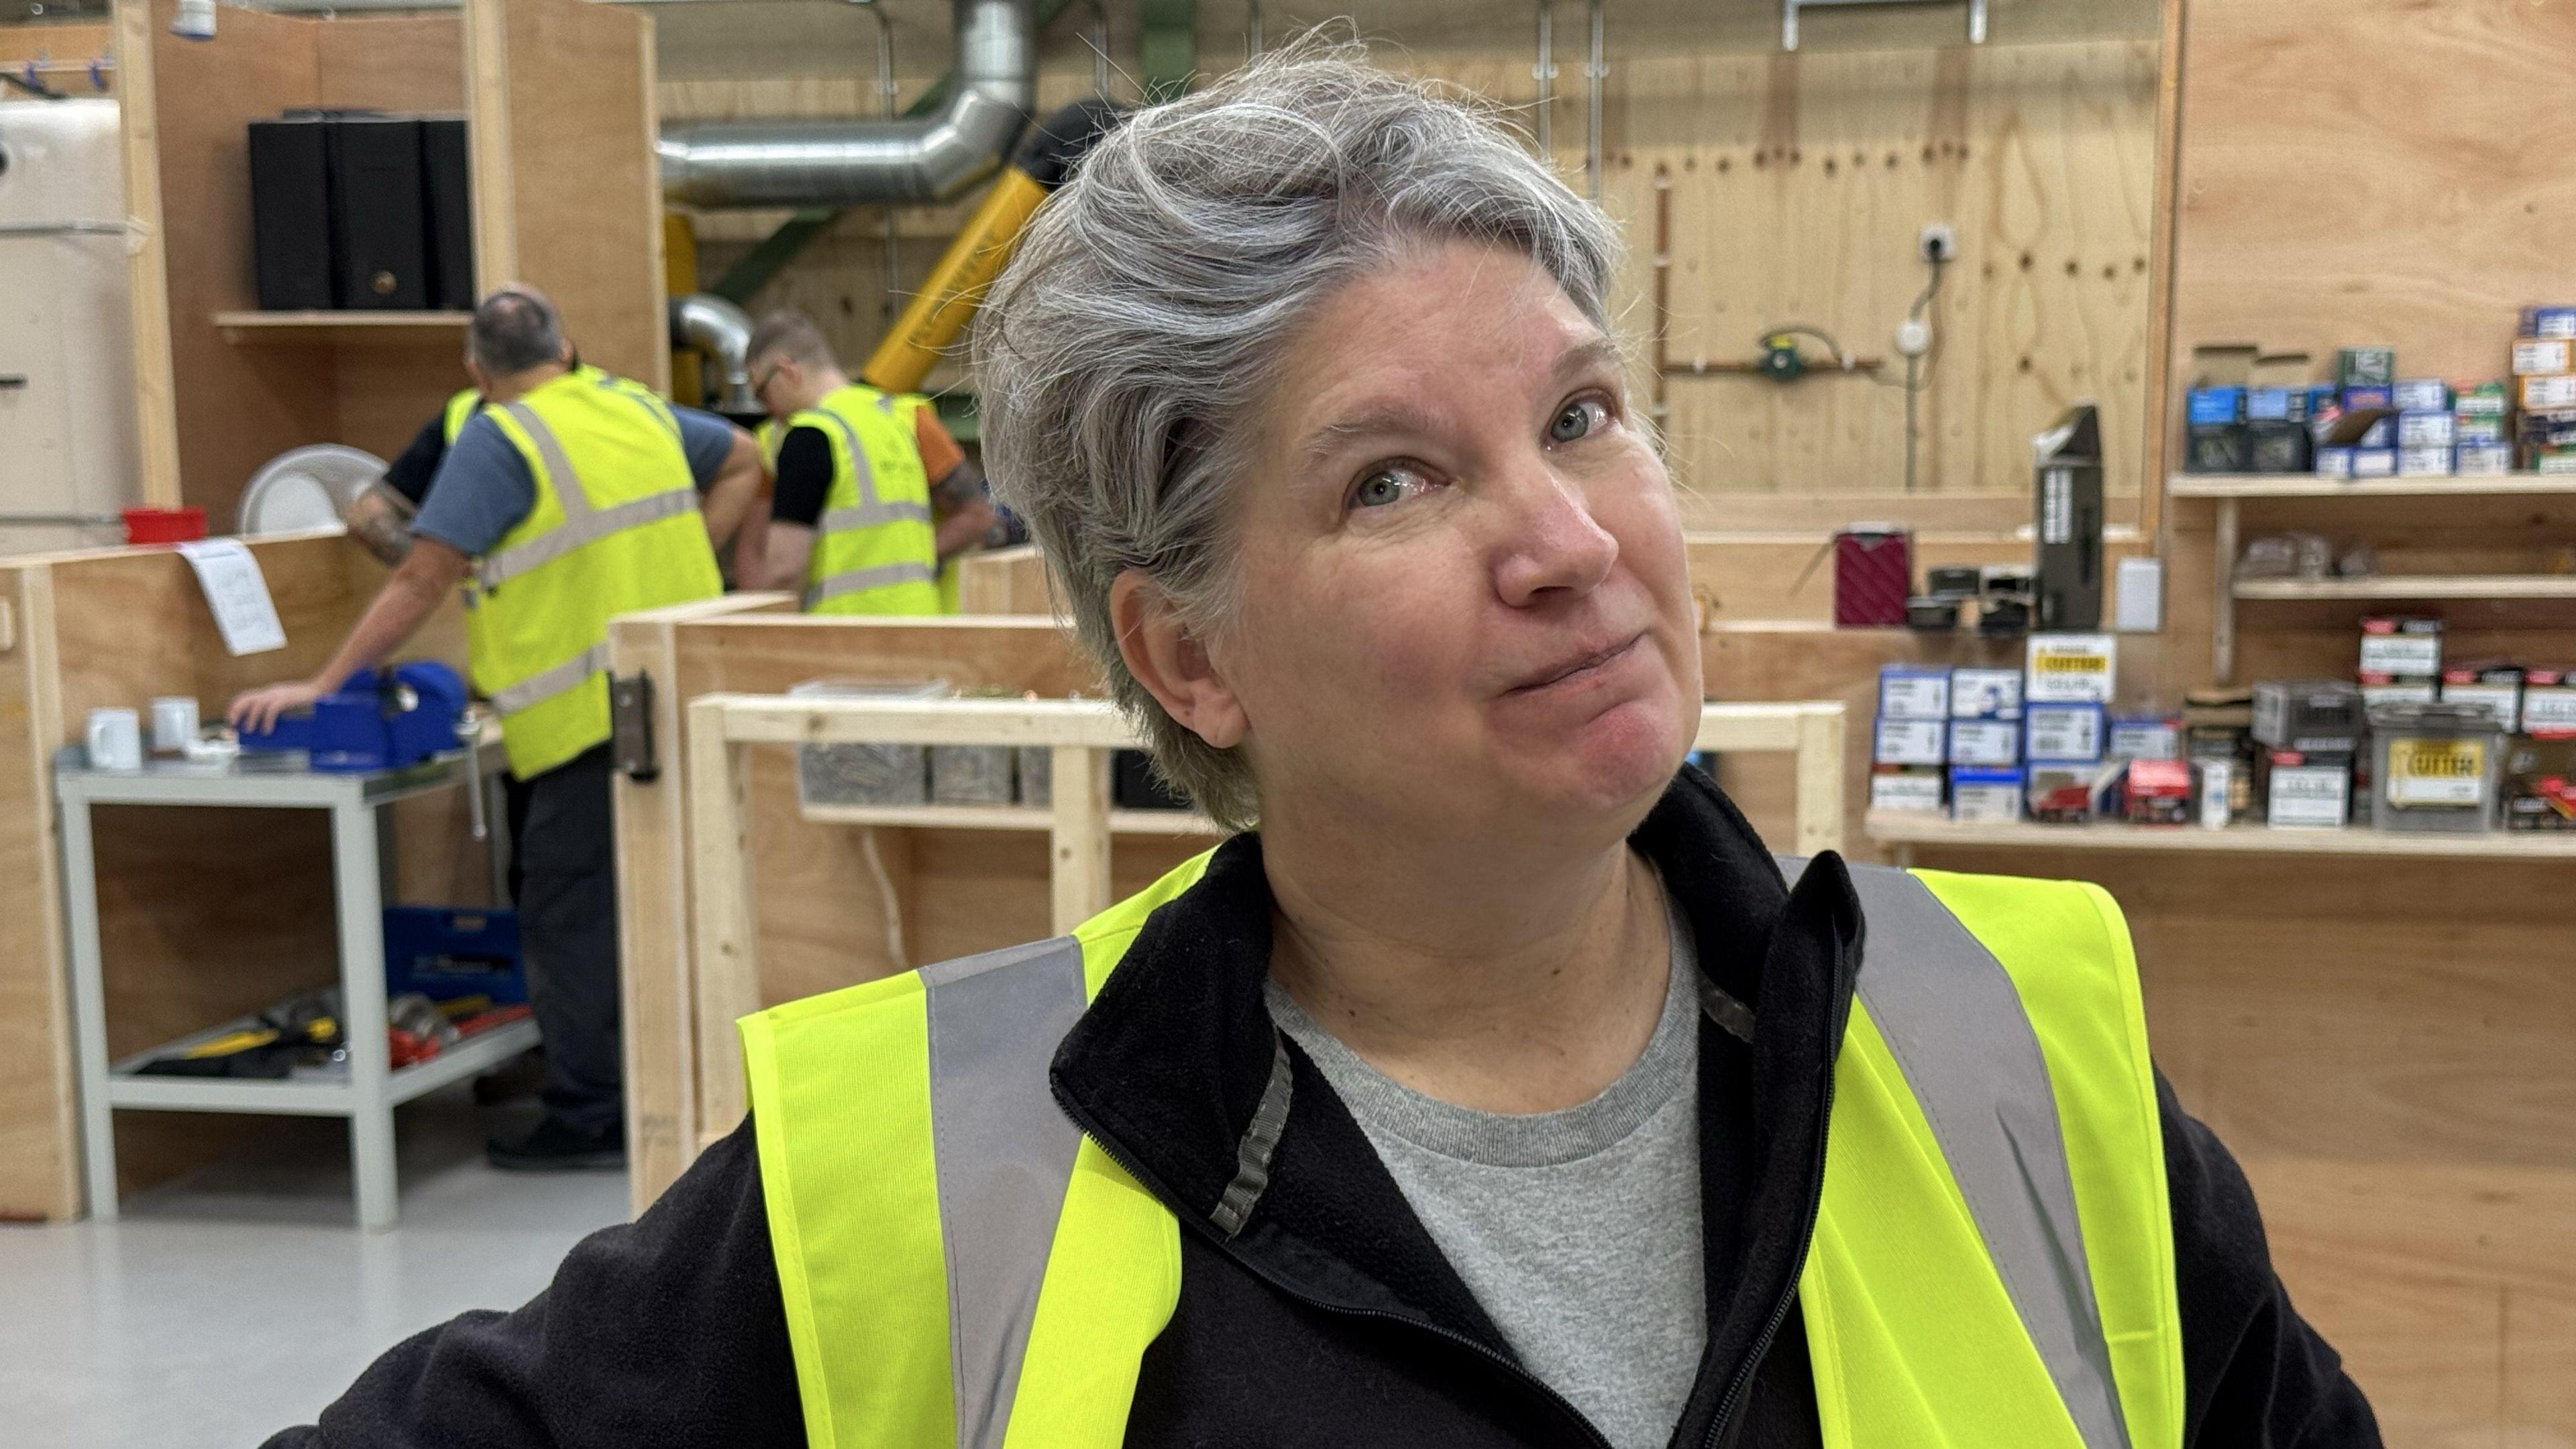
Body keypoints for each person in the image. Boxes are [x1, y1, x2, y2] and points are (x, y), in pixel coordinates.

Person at [260, 46, 2379, 1448]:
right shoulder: (927, 1178)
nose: (1564, 540)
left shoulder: (2018, 1054)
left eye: (1575, 415)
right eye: (1389, 482)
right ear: (1188, 658)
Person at [232, 284, 765, 1172]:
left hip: (581, 726)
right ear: (568, 346)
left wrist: (324, 682)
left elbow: (418, 580)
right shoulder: (634, 405)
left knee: (570, 919)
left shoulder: (498, 435)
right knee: (666, 904)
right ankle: (678, 1091)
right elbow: (746, 458)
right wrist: (687, 581)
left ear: (478, 370)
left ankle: (593, 1113)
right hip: (672, 698)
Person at [728, 307, 998, 611]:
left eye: (763, 393)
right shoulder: (904, 417)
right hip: (922, 624)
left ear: (788, 371)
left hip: (843, 633)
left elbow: (784, 569)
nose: (768, 410)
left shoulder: (808, 436)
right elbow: (976, 514)